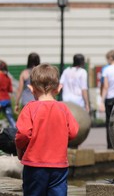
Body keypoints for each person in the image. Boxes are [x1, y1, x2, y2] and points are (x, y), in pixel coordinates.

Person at [15, 63, 79, 196]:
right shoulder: (63, 109)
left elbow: (23, 134)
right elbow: (73, 132)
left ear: (31, 89)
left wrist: (20, 149)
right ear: (59, 88)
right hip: (59, 165)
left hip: (34, 165)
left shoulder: (29, 108)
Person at [0, 60, 16, 128]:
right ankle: (16, 131)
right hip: (7, 100)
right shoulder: (8, 78)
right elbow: (10, 90)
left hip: (0, 99)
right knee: (10, 118)